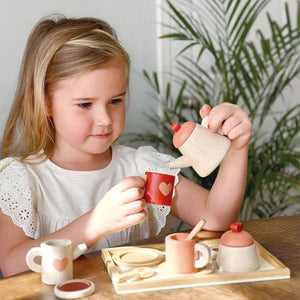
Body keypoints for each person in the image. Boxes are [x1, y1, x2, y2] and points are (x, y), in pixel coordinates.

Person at [0, 15, 252, 277]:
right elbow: (11, 265)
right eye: (85, 104)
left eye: (115, 101)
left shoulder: (143, 172)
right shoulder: (23, 181)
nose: (105, 119)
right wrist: (93, 225)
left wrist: (237, 147)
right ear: (44, 102)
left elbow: (215, 217)